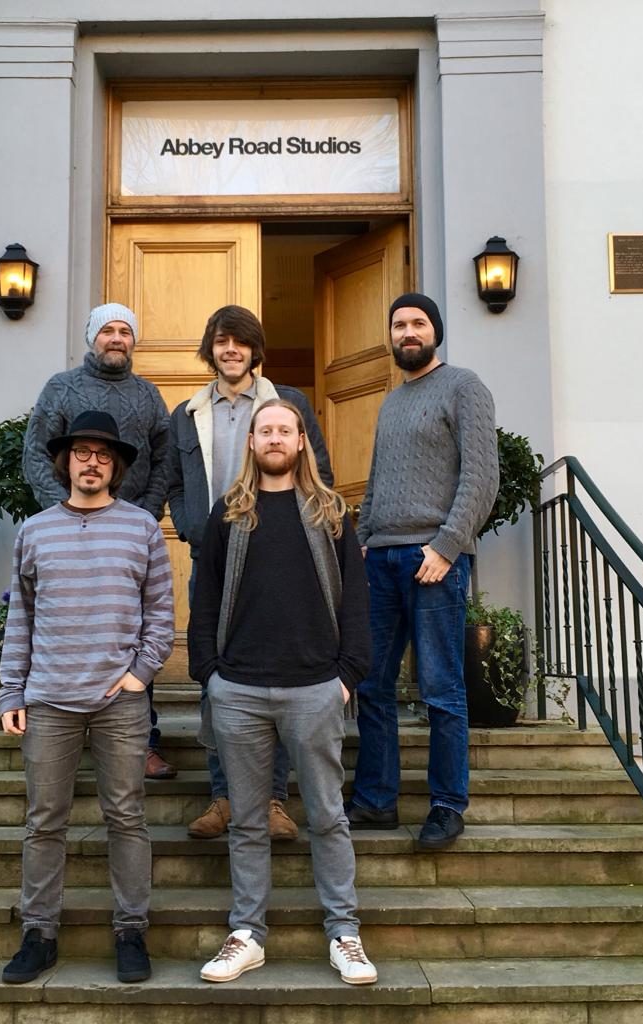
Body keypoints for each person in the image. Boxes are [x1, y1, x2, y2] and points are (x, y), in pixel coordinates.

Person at [188, 399, 376, 985]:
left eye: (284, 430)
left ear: (301, 443)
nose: (274, 438)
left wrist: (347, 675)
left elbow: (355, 601)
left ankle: (344, 932)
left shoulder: (330, 512)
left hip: (314, 686)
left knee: (326, 816)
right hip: (238, 688)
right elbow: (205, 600)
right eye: (264, 429)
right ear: (251, 442)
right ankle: (247, 935)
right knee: (246, 820)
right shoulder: (228, 515)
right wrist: (209, 675)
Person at [0, 410, 174, 985]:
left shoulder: (142, 527)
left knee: (126, 816)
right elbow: (20, 618)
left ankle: (130, 930)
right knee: (45, 820)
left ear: (116, 465)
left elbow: (161, 614)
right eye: (82, 452)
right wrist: (11, 691)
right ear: (66, 461)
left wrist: (140, 675)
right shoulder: (35, 530)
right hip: (49, 699)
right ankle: (39, 933)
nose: (92, 462)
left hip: (119, 700)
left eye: (103, 454)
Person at [168, 304, 333, 841]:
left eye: (240, 341)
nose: (230, 350)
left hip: (279, 555)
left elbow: (321, 472)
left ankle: (274, 801)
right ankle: (224, 798)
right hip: (214, 558)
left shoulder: (288, 405)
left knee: (279, 674)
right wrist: (195, 526)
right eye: (221, 341)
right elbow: (176, 480)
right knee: (215, 672)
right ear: (210, 349)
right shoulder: (185, 413)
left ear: (255, 349)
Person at [346, 293, 499, 850]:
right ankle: (376, 800)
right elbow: (379, 478)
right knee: (373, 685)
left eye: (417, 323)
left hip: (433, 560)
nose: (407, 332)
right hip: (381, 560)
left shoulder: (464, 386)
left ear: (435, 330)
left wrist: (447, 546)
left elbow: (482, 477)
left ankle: (446, 804)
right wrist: (361, 542)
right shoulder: (391, 401)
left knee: (441, 689)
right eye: (399, 325)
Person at [23, 303, 176, 781]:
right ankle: (63, 733)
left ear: (134, 341)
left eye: (125, 331)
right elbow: (35, 452)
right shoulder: (61, 388)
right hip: (70, 526)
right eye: (108, 330)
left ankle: (142, 742)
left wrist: (143, 515)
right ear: (93, 338)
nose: (116, 338)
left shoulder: (149, 396)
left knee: (133, 626)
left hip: (129, 535)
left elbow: (166, 460)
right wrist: (63, 510)